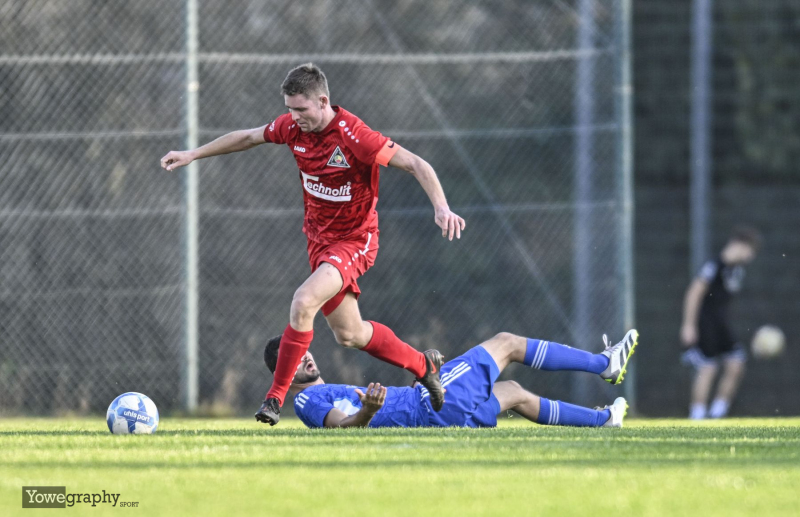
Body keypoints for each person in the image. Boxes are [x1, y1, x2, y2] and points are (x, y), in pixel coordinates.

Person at [160, 63, 465, 425]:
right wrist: (193, 154)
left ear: (323, 101)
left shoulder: (355, 136)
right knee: (350, 334)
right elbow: (247, 137)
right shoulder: (292, 128)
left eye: (301, 109)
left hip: (355, 241)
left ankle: (273, 399)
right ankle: (422, 364)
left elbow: (416, 164)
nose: (294, 116)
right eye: (290, 108)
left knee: (303, 301)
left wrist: (441, 207)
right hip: (320, 244)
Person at [263, 329, 639, 429]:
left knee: (512, 392)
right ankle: (603, 363)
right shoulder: (304, 400)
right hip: (429, 411)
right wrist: (366, 414)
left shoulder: (325, 389)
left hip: (431, 410)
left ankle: (604, 420)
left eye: (302, 347)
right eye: (291, 356)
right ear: (282, 372)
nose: (304, 354)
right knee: (506, 343)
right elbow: (339, 428)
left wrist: (424, 377)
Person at [680, 226, 762, 419]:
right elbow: (694, 293)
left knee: (736, 363)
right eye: (750, 250)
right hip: (705, 323)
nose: (750, 256)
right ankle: (697, 414)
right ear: (739, 245)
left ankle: (718, 412)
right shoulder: (713, 266)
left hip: (721, 324)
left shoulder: (736, 271)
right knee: (707, 368)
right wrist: (688, 325)